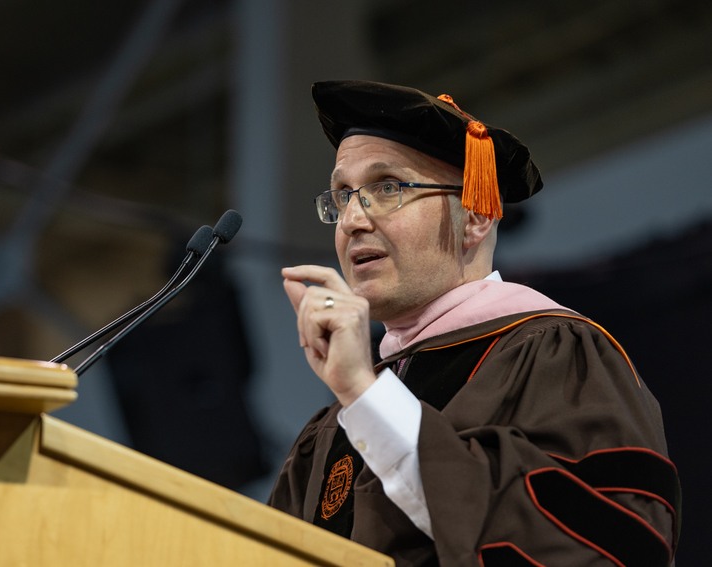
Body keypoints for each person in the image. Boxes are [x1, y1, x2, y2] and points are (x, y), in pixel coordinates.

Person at [269, 80, 680, 566]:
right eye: (343, 195)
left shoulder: (556, 356)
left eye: (387, 188)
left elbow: (601, 546)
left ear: (476, 218)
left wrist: (363, 392)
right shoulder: (331, 428)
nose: (352, 220)